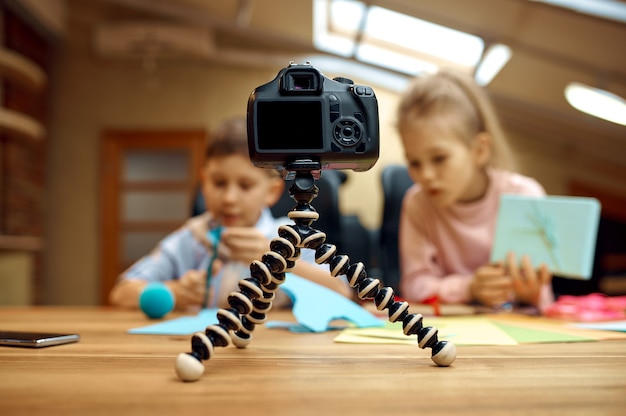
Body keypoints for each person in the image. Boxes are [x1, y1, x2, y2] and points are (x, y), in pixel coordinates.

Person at [109, 117, 352, 310]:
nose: (229, 199)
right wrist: (174, 292)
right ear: (204, 182)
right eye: (219, 183)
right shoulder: (191, 238)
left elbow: (342, 292)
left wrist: (277, 259)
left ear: (272, 191)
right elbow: (121, 292)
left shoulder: (291, 239)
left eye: (245, 185)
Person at [395, 69, 554, 311]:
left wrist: (530, 292)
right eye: (414, 162)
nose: (425, 175)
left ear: (479, 150)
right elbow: (415, 285)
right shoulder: (417, 203)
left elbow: (541, 295)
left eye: (439, 158)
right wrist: (469, 288)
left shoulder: (525, 195)